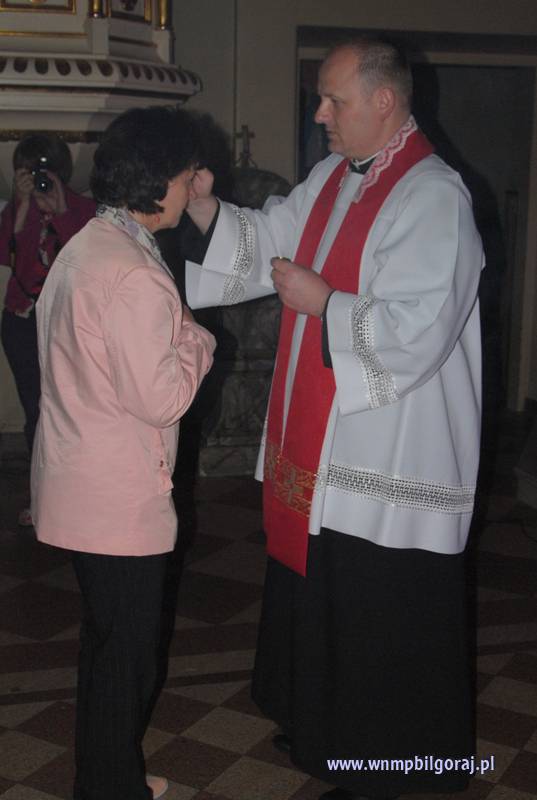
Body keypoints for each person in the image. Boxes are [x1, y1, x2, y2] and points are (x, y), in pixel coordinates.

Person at [185, 37, 484, 799]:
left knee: (375, 607)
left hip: (389, 447)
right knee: (323, 593)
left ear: (383, 101)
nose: (318, 113)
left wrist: (325, 304)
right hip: (326, 443)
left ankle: (387, 764)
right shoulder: (331, 176)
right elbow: (270, 238)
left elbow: (420, 325)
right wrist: (204, 207)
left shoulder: (433, 196)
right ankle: (322, 729)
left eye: (333, 100)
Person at [31, 107, 216, 800]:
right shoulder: (133, 272)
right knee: (127, 658)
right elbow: (161, 399)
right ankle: (111, 790)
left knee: (106, 644)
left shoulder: (88, 243)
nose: (193, 186)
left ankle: (107, 776)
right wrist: (199, 340)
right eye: (187, 174)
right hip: (118, 499)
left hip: (80, 480)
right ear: (158, 179)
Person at [0, 133, 96, 526]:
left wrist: (60, 212)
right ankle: (42, 497)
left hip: (69, 325)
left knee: (70, 413)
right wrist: (22, 208)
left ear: (61, 172)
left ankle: (75, 495)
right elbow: (6, 256)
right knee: (36, 412)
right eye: (27, 171)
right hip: (22, 323)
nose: (37, 178)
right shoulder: (15, 210)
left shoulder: (85, 210)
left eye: (43, 171)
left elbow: (89, 260)